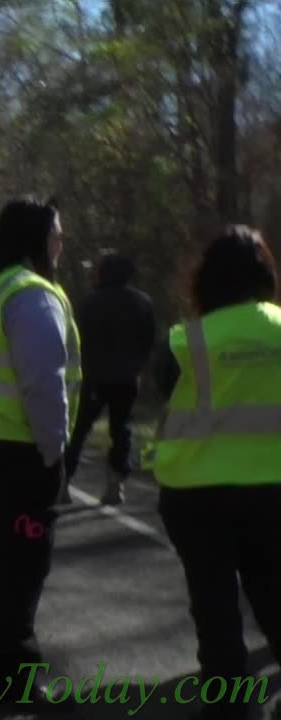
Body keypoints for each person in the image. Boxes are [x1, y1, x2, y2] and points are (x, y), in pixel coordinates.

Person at [0, 196, 81, 709]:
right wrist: (55, 453)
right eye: (57, 233)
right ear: (37, 238)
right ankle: (14, 680)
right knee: (24, 565)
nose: (61, 242)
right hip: (21, 452)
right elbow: (44, 386)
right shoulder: (32, 295)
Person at [147, 226, 281, 720]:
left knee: (216, 610)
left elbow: (163, 392)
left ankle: (230, 711)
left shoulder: (186, 341)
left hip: (196, 495)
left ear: (207, 280)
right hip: (273, 492)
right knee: (274, 597)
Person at [60, 252, 157, 505]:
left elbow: (74, 338)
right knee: (122, 429)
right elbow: (149, 339)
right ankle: (116, 484)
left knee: (79, 429)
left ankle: (63, 482)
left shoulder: (90, 303)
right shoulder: (142, 302)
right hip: (127, 376)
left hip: (93, 376)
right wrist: (138, 366)